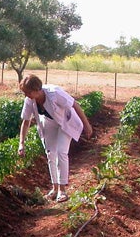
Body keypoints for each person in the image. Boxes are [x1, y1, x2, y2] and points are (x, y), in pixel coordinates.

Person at [17, 74, 93, 202]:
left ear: (36, 90)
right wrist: (21, 143)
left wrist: (87, 125)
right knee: (50, 153)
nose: (26, 95)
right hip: (49, 123)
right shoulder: (30, 100)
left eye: (28, 92)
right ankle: (55, 188)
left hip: (66, 122)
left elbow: (75, 105)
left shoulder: (55, 93)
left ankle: (62, 191)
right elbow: (26, 121)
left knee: (61, 152)